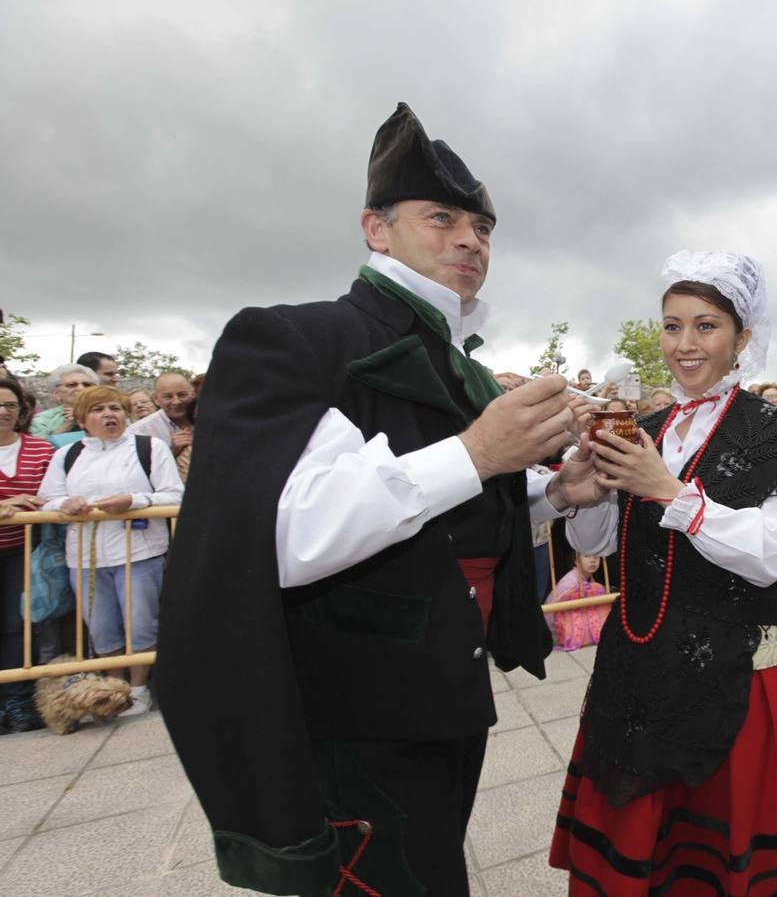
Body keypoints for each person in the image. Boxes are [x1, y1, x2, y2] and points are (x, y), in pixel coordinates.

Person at [155, 103, 603, 896]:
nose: (471, 240)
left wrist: (550, 494)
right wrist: (476, 452)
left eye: (483, 227)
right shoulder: (294, 337)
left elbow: (451, 509)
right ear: (375, 226)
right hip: (357, 715)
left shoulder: (462, 362)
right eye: (441, 218)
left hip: (448, 693)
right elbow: (280, 537)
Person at [549, 251, 777, 895]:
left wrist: (669, 491)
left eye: (705, 326)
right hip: (638, 666)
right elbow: (601, 540)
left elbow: (768, 556)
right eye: (672, 326)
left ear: (742, 339)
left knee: (719, 856)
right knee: (640, 848)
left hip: (738, 672)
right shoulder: (643, 426)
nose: (685, 344)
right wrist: (587, 493)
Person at [37, 386, 182, 717]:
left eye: (115, 408)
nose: (109, 415)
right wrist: (66, 504)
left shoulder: (149, 448)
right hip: (85, 556)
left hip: (139, 552)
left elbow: (174, 494)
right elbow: (49, 497)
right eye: (99, 409)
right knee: (101, 626)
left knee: (141, 622)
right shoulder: (68, 454)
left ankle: (139, 687)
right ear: (83, 419)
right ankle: (112, 689)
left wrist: (134, 501)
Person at [0, 378, 55, 733]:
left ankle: (17, 700)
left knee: (15, 625)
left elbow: (57, 492)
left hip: (24, 551)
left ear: (22, 411)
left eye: (9, 405)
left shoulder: (42, 450)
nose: (3, 412)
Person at [544, 551, 610, 651]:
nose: (593, 560)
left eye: (596, 556)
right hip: (555, 630)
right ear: (576, 560)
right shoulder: (571, 580)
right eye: (587, 556)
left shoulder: (588, 578)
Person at [29, 364, 98, 438]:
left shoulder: (108, 413)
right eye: (72, 385)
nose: (81, 388)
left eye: (87, 385)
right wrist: (68, 425)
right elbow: (40, 447)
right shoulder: (42, 420)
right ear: (56, 393)